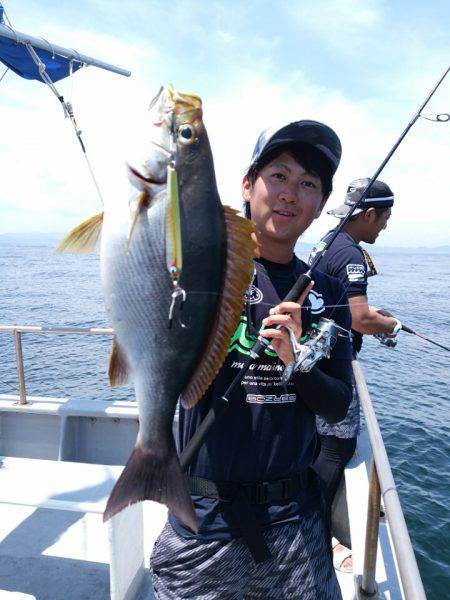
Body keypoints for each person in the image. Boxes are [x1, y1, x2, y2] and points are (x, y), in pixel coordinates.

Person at [150, 121, 354, 599]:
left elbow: (338, 405)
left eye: (308, 184)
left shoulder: (326, 290)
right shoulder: (201, 269)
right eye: (278, 176)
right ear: (247, 184)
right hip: (201, 517)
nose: (290, 194)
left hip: (294, 522)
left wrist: (297, 361)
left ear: (320, 204)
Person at [309, 178, 401, 572]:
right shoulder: (350, 256)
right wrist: (391, 326)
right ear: (368, 214)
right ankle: (314, 532)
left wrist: (374, 319)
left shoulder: (329, 242)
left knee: (317, 445)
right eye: (384, 218)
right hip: (333, 366)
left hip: (314, 361)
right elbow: (360, 318)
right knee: (338, 448)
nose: (384, 226)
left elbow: (342, 305)